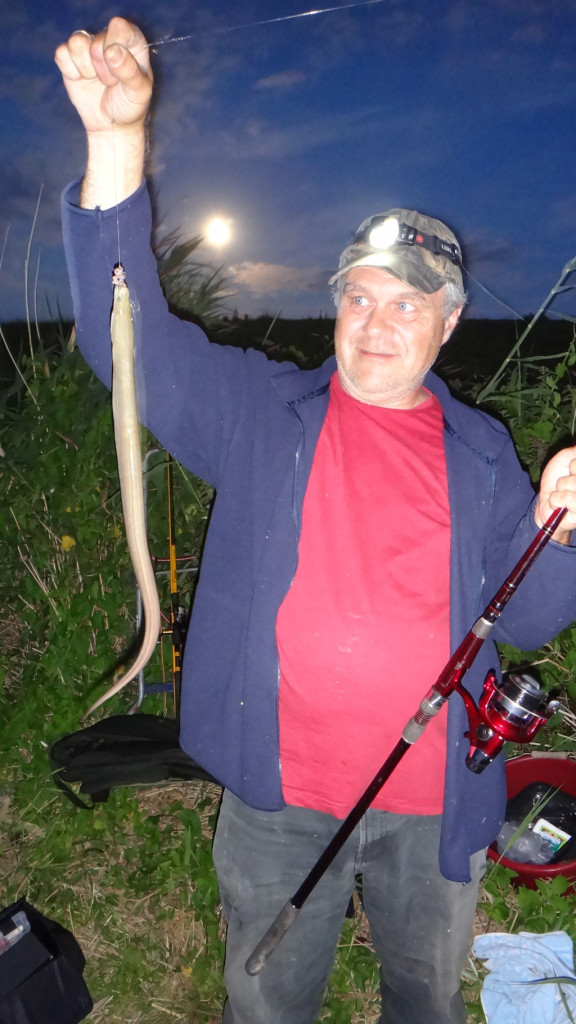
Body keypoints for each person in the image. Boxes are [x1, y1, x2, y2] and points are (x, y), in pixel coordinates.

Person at [55, 19, 576, 1024]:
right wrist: (118, 147)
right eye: (361, 296)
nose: (379, 321)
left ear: (450, 320)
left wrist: (563, 526)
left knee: (423, 996)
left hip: (437, 800)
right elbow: (126, 337)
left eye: (409, 303)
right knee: (265, 990)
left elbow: (529, 620)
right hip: (276, 793)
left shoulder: (482, 454)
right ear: (335, 304)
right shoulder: (258, 413)